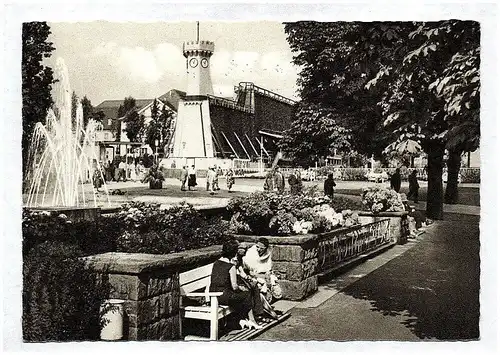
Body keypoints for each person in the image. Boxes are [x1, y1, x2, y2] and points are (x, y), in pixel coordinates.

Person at [209, 239, 262, 330]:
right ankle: (251, 321)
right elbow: (234, 286)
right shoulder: (231, 267)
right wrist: (241, 288)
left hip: (213, 294)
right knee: (247, 294)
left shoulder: (216, 263)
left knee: (242, 296)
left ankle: (242, 320)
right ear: (233, 252)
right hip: (223, 296)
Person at [243, 238, 283, 305]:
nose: (258, 249)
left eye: (261, 248)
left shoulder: (267, 253)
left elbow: (268, 267)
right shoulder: (251, 252)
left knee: (273, 283)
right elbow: (249, 270)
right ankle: (262, 303)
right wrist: (261, 276)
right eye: (257, 247)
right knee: (260, 284)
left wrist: (268, 274)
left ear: (265, 248)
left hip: (264, 274)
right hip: (252, 275)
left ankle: (268, 301)